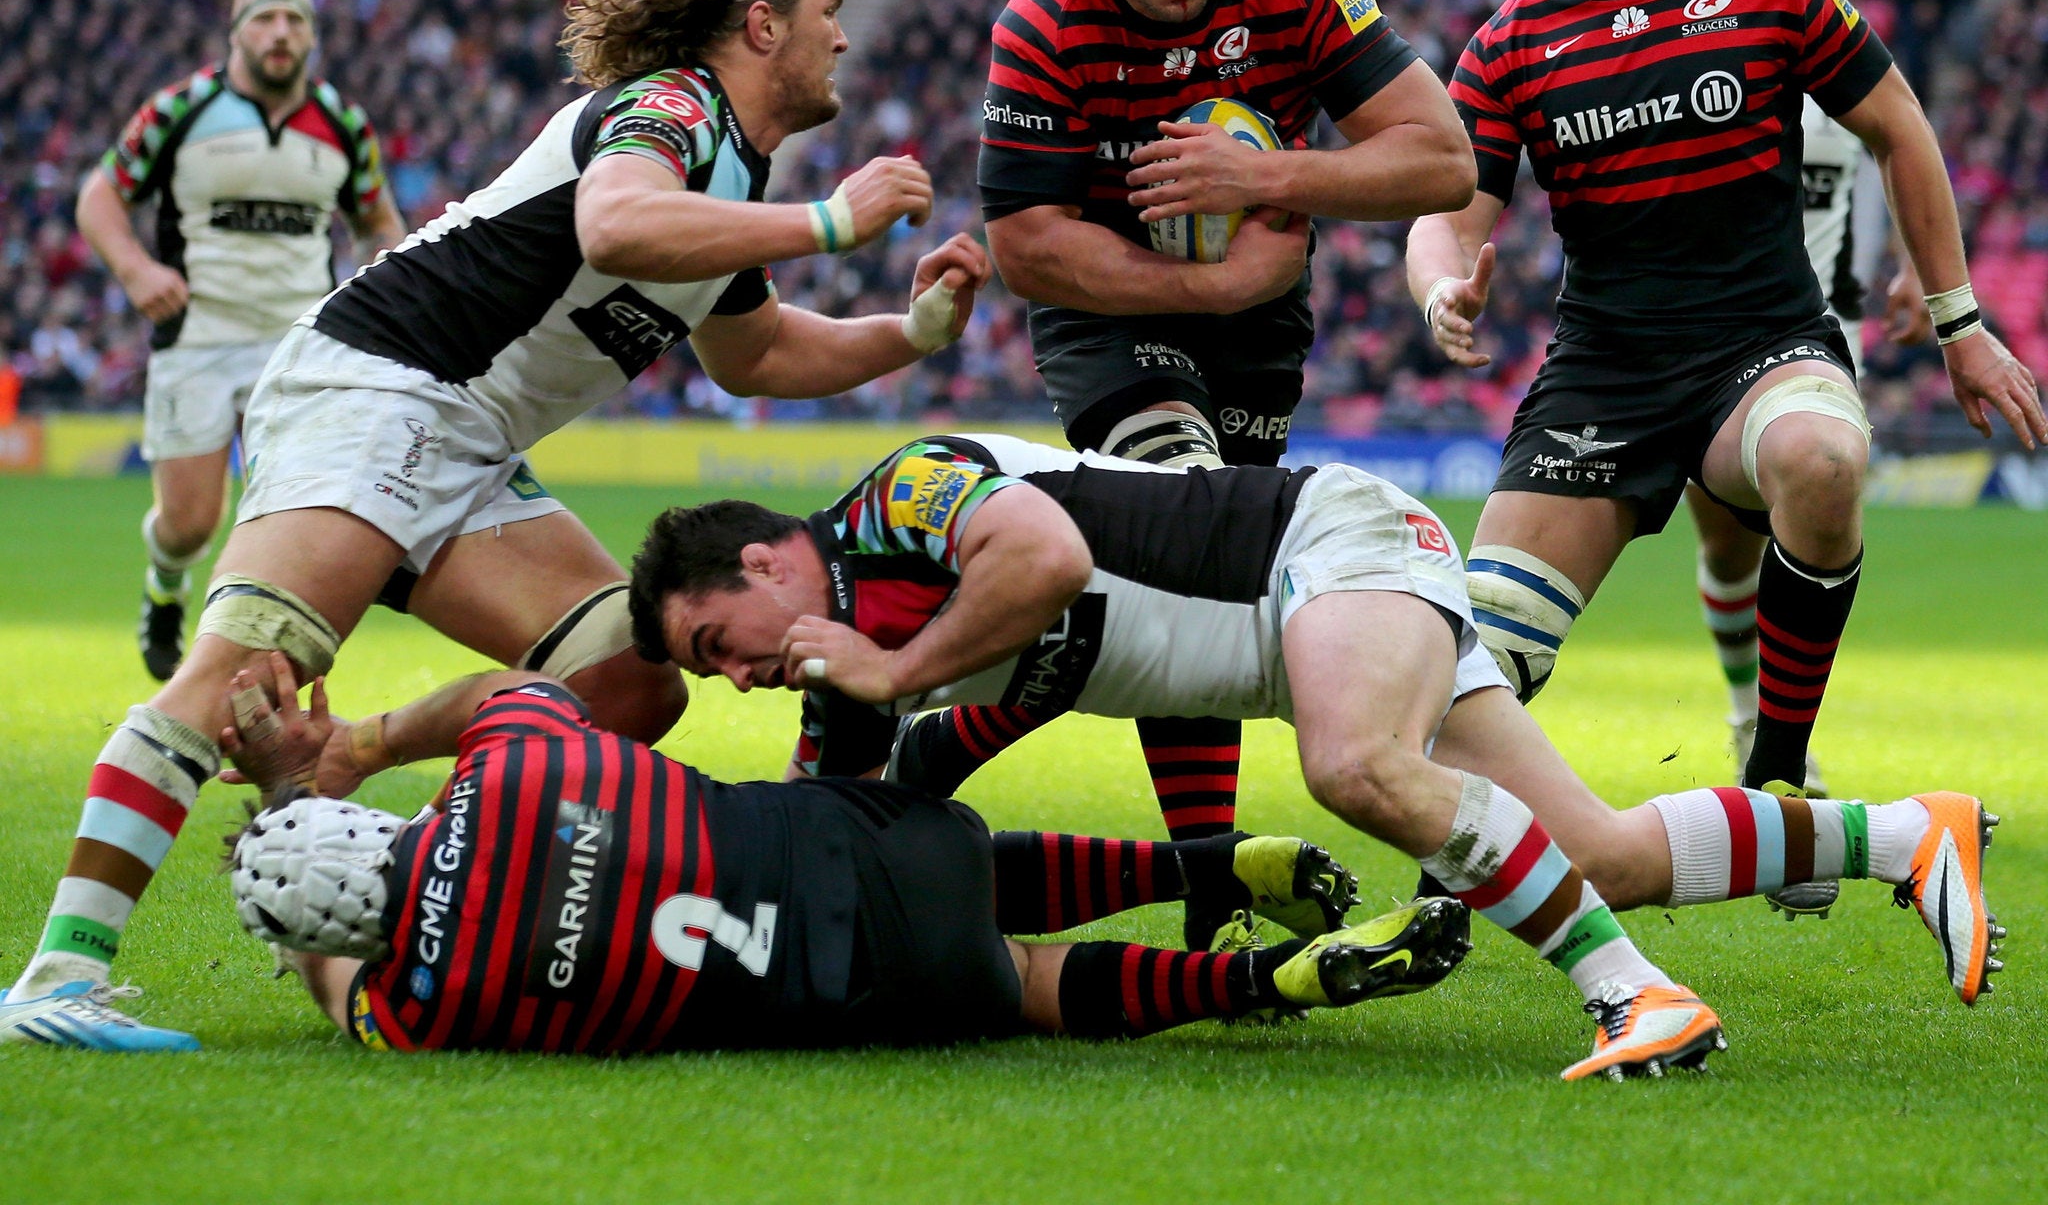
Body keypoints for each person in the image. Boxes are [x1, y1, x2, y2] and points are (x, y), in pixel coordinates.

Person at [5, 0, 992, 1046]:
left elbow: (756, 352)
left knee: (630, 679)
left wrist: (909, 334)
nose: (843, 36)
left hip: (468, 443)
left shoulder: (731, 182)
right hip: (381, 386)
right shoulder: (668, 108)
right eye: (829, 12)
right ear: (760, 25)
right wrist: (833, 220)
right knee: (241, 677)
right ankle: (58, 980)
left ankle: (411, 866)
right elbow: (617, 229)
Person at [624, 432, 2002, 1081]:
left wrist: (900, 671)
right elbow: (844, 858)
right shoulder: (843, 698)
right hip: (1318, 627)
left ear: (759, 561)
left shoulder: (891, 501)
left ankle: (1637, 1003)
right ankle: (1905, 834)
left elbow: (1041, 552)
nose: (734, 676)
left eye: (714, 642)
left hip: (1322, 545)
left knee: (1359, 770)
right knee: (1601, 855)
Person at [1405, 0, 2043, 918]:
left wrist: (1959, 321)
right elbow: (1444, 211)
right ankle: (1457, 853)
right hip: (1601, 374)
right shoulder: (1508, 39)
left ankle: (1774, 775)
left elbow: (1900, 126)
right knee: (1458, 671)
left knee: (1822, 456)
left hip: (1760, 341)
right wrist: (1438, 285)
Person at [971, 0, 1477, 943]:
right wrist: (1202, 280)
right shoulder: (1041, 23)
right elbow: (1029, 247)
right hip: (1110, 317)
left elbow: (1440, 159)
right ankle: (1214, 882)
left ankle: (965, 741)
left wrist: (1266, 177)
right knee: (1193, 527)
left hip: (1260, 323)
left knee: (1216, 581)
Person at [0, 657, 1467, 1054]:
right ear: (373, 828)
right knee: (978, 862)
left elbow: (338, 985)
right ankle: (1209, 863)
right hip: (857, 835)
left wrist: (273, 840)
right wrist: (343, 753)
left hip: (834, 986)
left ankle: (1271, 984)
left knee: (1020, 979)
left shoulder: (417, 1012)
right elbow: (498, 697)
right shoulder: (523, 767)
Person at [74, 0, 408, 680]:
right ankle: (166, 582)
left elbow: (379, 219)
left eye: (295, 19)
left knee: (288, 524)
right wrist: (137, 271)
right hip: (196, 337)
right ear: (236, 31)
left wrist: (373, 290)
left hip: (299, 349)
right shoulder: (180, 109)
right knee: (189, 524)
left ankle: (253, 668)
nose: (280, 32)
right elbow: (99, 196)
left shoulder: (343, 122)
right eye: (265, 17)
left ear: (313, 35)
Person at [1684, 98, 1932, 822]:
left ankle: (1779, 747)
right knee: (1728, 547)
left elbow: (1901, 139)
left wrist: (1919, 267)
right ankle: (1746, 716)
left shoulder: (1841, 59)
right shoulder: (1714, 55)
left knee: (1816, 493)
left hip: (1820, 330)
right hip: (1713, 339)